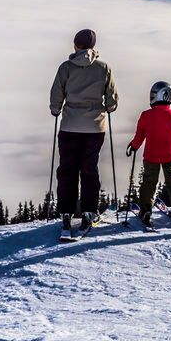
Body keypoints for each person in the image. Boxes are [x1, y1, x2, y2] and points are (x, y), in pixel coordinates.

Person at [49, 29, 118, 235]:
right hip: (95, 128)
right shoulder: (103, 67)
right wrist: (106, 109)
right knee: (90, 169)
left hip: (70, 125)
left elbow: (56, 94)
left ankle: (66, 213)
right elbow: (112, 99)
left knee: (67, 169)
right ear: (93, 46)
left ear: (75, 45)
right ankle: (89, 211)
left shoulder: (66, 68)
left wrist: (56, 110)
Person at [126, 81, 171, 227]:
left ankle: (146, 209)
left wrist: (134, 146)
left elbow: (140, 135)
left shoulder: (146, 115)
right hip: (170, 155)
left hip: (151, 155)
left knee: (149, 182)